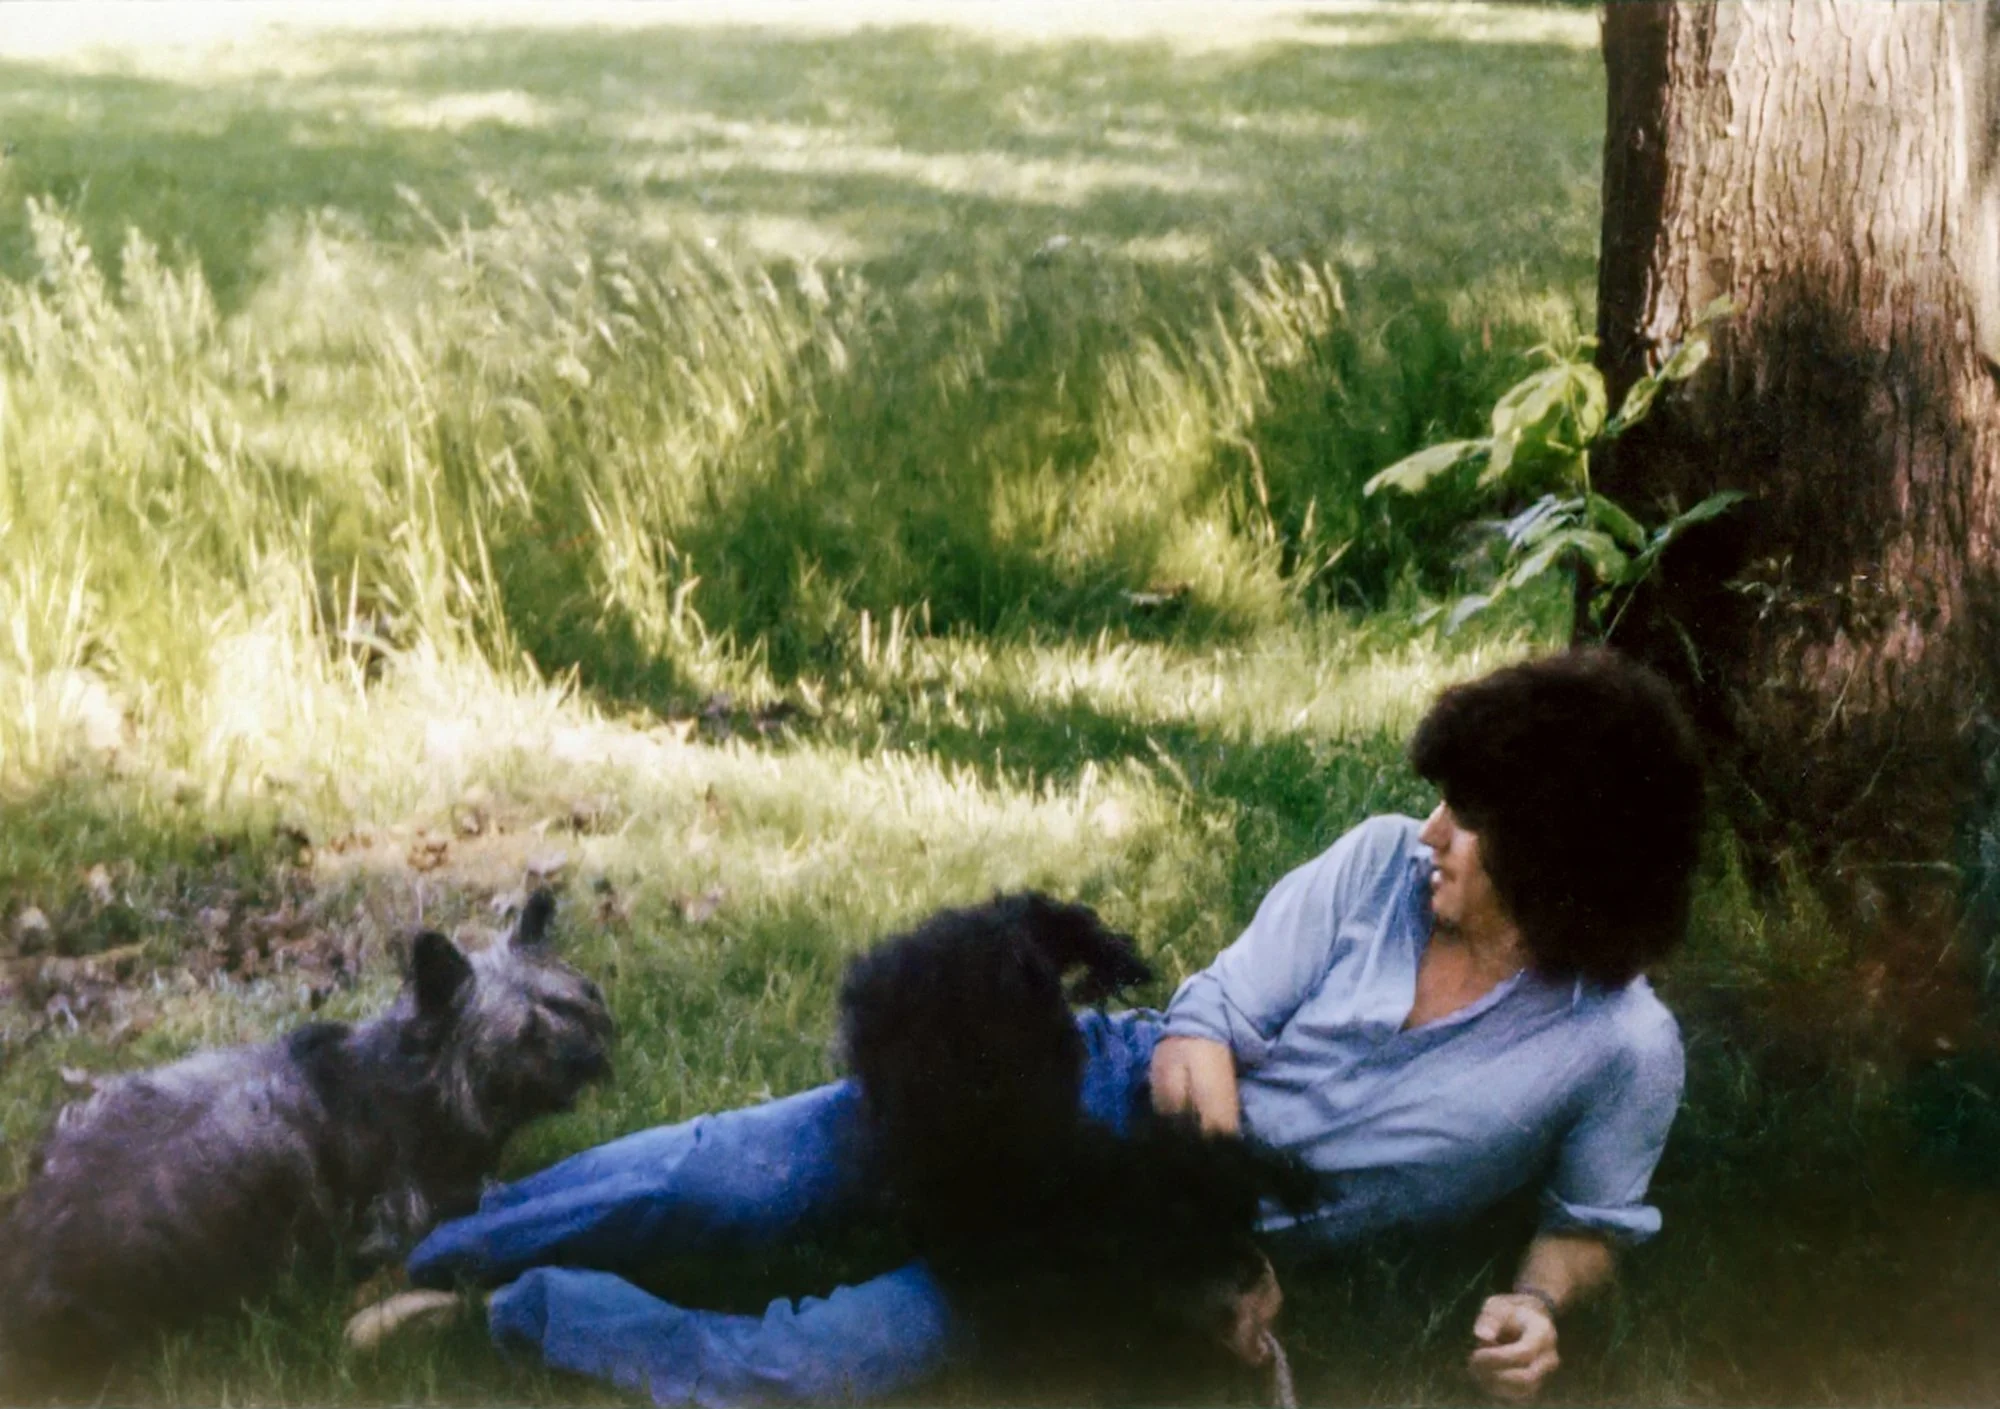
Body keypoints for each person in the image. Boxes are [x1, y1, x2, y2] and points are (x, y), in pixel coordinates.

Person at [395, 647, 1704, 1406]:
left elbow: (1588, 1224)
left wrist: (1539, 1309)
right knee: (750, 1178)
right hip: (1092, 1097)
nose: (1432, 833)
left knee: (837, 1358)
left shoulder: (1621, 1049)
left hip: (1119, 1237)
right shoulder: (1372, 866)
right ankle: (424, 1239)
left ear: (1563, 862)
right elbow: (1205, 1030)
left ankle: (517, 1316)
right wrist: (1213, 1237)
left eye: (1471, 823)